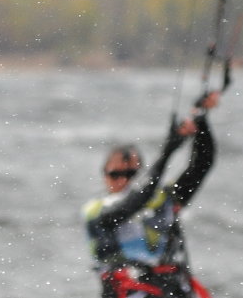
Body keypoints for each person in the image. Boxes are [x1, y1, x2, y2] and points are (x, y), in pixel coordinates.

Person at [82, 92, 221, 298]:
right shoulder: (96, 212)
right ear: (104, 175)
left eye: (131, 174)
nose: (123, 180)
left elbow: (202, 165)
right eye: (115, 174)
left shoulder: (164, 199)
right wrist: (167, 152)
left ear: (142, 174)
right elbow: (135, 202)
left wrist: (200, 119)